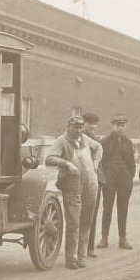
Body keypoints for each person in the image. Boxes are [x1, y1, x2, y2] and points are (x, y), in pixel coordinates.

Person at [45, 114, 102, 269]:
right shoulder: (61, 141)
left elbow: (99, 148)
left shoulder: (85, 139)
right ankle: (71, 258)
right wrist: (66, 164)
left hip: (91, 183)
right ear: (68, 127)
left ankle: (82, 256)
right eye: (75, 127)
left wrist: (96, 163)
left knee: (86, 220)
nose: (78, 130)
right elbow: (49, 158)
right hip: (72, 185)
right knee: (74, 222)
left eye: (80, 127)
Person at [96, 115, 136, 250]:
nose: (120, 128)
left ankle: (122, 238)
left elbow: (132, 163)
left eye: (122, 125)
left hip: (124, 179)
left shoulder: (128, 143)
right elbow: (100, 162)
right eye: (118, 125)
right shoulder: (105, 142)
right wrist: (104, 178)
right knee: (107, 208)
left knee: (123, 208)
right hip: (109, 179)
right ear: (113, 126)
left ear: (125, 127)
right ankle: (104, 237)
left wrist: (129, 178)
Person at [81, 112, 103, 258]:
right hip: (80, 179)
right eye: (90, 123)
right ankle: (77, 247)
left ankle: (89, 247)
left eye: (95, 124)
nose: (93, 126)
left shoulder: (97, 141)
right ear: (84, 124)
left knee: (92, 214)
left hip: (94, 180)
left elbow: (101, 159)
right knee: (78, 214)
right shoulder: (79, 138)